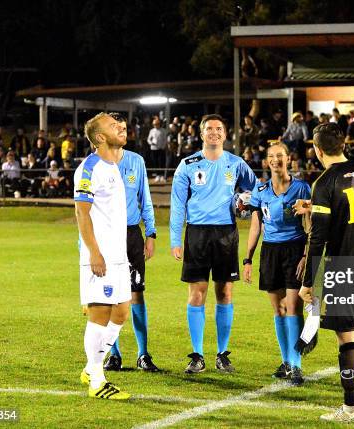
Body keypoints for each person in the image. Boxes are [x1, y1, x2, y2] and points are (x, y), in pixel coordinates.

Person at [297, 123, 354, 422]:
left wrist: (308, 282)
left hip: (345, 269)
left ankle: (351, 409)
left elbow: (318, 237)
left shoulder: (325, 182)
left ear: (317, 149)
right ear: (345, 144)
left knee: (347, 338)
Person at [170, 114, 257, 374]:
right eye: (209, 129)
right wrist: (176, 239)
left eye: (219, 128)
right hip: (196, 234)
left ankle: (222, 353)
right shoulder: (187, 164)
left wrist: (245, 202)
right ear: (201, 133)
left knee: (225, 292)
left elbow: (256, 189)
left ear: (225, 133)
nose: (214, 133)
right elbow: (177, 205)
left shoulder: (236, 163)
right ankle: (197, 355)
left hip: (226, 234)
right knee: (197, 293)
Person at [243, 142, 311, 386]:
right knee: (278, 309)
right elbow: (255, 226)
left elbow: (310, 224)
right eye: (271, 156)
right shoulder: (260, 191)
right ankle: (285, 362)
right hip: (270, 251)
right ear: (265, 161)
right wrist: (248, 258)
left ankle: (297, 365)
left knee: (293, 308)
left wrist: (306, 254)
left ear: (288, 158)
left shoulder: (302, 188)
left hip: (295, 250)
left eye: (279, 156)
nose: (275, 160)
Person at [74, 112, 132, 400]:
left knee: (122, 311)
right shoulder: (91, 168)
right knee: (99, 315)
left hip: (118, 257)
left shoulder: (113, 166)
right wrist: (95, 253)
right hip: (101, 257)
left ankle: (90, 366)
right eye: (113, 125)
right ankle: (97, 380)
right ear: (99, 137)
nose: (120, 127)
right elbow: (81, 212)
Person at [103, 114, 160, 373]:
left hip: (131, 236)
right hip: (106, 237)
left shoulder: (136, 162)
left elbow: (145, 199)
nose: (124, 133)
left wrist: (151, 233)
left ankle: (143, 354)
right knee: (109, 296)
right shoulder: (95, 165)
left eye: (125, 129)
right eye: (118, 129)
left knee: (137, 293)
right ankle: (113, 354)